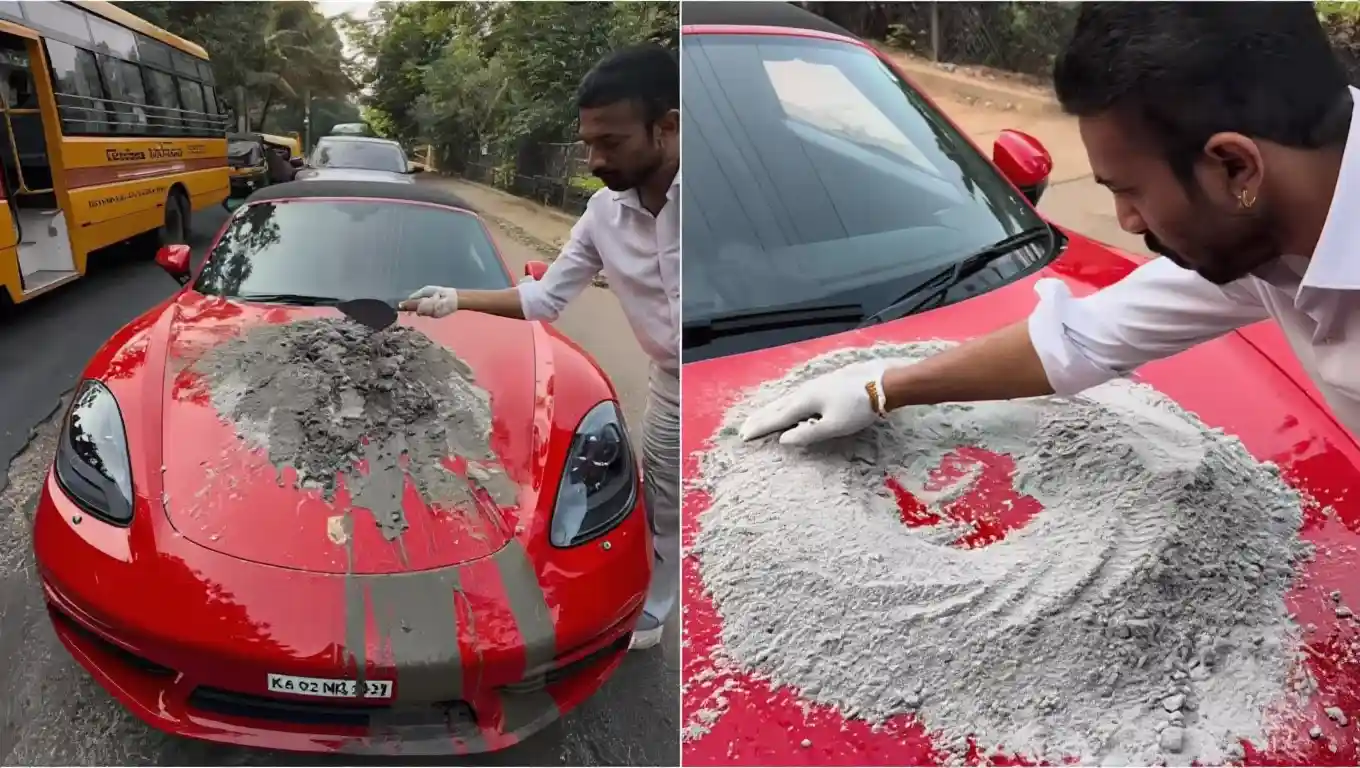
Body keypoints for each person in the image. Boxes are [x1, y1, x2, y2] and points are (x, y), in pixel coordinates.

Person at [740, 2, 1360, 447]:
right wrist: (879, 387)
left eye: (1130, 191)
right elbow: (1088, 336)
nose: (1127, 222)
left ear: (1235, 166)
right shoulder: (1266, 224)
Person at [399, 44, 680, 651]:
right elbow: (545, 297)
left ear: (668, 126)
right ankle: (656, 610)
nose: (594, 160)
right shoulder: (602, 215)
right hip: (672, 384)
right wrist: (455, 297)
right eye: (588, 143)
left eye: (611, 142)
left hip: (742, 366)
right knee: (664, 505)